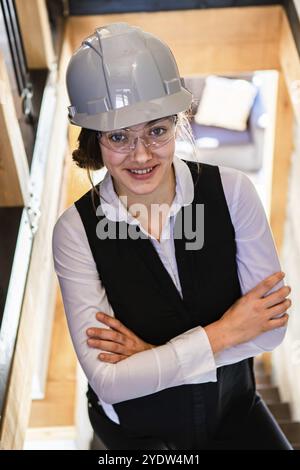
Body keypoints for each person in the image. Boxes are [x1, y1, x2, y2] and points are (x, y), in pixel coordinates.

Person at [52, 22, 292, 450]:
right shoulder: (74, 232)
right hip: (138, 435)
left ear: (179, 122)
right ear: (95, 140)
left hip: (233, 412)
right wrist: (225, 332)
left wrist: (148, 357)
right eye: (119, 137)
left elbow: (270, 330)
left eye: (157, 131)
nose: (141, 155)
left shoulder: (233, 192)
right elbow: (109, 382)